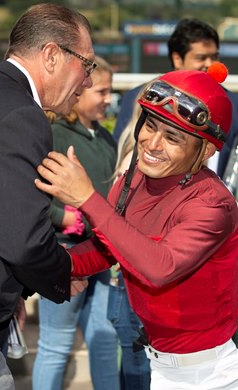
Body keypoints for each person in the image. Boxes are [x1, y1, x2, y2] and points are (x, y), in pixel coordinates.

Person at [35, 63, 238, 389]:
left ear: (206, 152)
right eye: (151, 125)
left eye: (172, 136)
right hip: (159, 363)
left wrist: (87, 198)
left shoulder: (214, 204)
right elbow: (108, 249)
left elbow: (158, 267)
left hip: (210, 374)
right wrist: (55, 266)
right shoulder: (134, 179)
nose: (152, 143)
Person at [0, 3, 94, 388]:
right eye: (87, 65)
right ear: (52, 55)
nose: (86, 81)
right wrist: (61, 274)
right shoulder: (22, 114)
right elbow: (21, 242)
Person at [32, 56, 120, 390]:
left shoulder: (105, 137)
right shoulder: (52, 134)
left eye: (111, 91)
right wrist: (60, 215)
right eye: (101, 90)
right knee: (56, 342)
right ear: (80, 90)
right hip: (66, 251)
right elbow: (33, 191)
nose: (108, 99)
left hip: (103, 251)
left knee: (104, 339)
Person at [113, 18, 238, 179]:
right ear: (178, 59)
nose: (211, 64)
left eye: (214, 57)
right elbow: (121, 149)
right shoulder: (141, 97)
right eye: (201, 58)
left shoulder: (233, 105)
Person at [107, 98, 151, 390]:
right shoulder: (136, 163)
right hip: (129, 282)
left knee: (135, 365)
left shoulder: (135, 154)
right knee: (138, 369)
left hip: (129, 282)